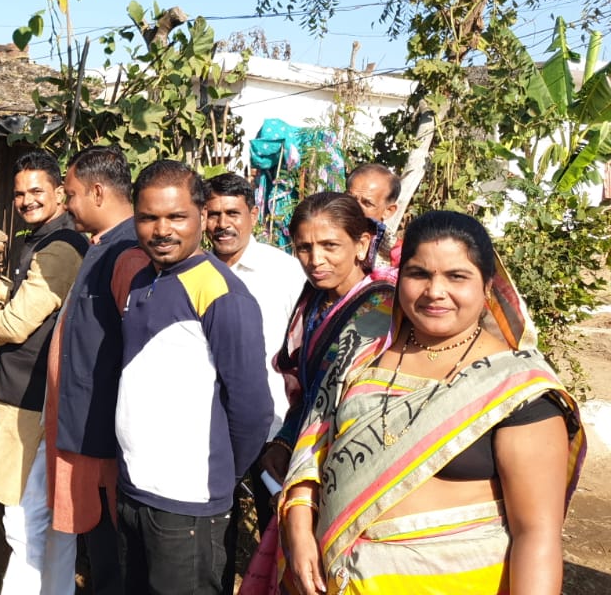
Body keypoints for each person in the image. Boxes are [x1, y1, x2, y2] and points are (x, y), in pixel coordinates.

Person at [282, 210, 585, 595]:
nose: (434, 291)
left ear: (487, 287)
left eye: (456, 276)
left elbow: (536, 535)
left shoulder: (515, 387)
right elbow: (315, 446)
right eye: (419, 274)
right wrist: (299, 528)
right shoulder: (363, 351)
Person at [115, 160, 273, 595]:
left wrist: (216, 477)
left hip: (187, 505)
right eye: (148, 217)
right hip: (134, 490)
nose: (161, 230)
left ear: (202, 216)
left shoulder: (221, 293)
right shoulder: (143, 279)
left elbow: (253, 409)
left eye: (176, 217)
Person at [239, 192, 395, 595]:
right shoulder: (315, 300)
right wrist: (284, 440)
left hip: (352, 467)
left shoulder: (380, 311)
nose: (315, 259)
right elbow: (310, 391)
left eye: (330, 245)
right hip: (308, 458)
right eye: (304, 247)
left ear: (361, 244)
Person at [0, 150, 87, 594]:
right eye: (18, 193)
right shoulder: (45, 239)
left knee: (25, 515)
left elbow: (15, 325)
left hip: (32, 394)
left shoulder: (59, 245)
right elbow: (43, 303)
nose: (26, 200)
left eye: (36, 191)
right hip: (34, 388)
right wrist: (6, 289)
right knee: (45, 514)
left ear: (59, 193)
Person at [44, 145, 140, 595]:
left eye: (70, 194)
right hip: (87, 430)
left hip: (104, 439)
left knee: (112, 558)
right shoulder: (104, 246)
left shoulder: (128, 254)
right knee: (101, 550)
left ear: (98, 192)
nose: (66, 205)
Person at [204, 172, 305, 590]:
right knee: (214, 535)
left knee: (273, 531)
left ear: (253, 215)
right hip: (212, 427)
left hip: (272, 429)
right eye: (213, 213)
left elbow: (302, 346)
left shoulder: (284, 272)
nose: (222, 223)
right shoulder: (195, 269)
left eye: (233, 213)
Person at [345, 163, 401, 266]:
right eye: (350, 198)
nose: (355, 208)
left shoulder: (397, 256)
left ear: (388, 211)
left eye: (367, 203)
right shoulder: (324, 234)